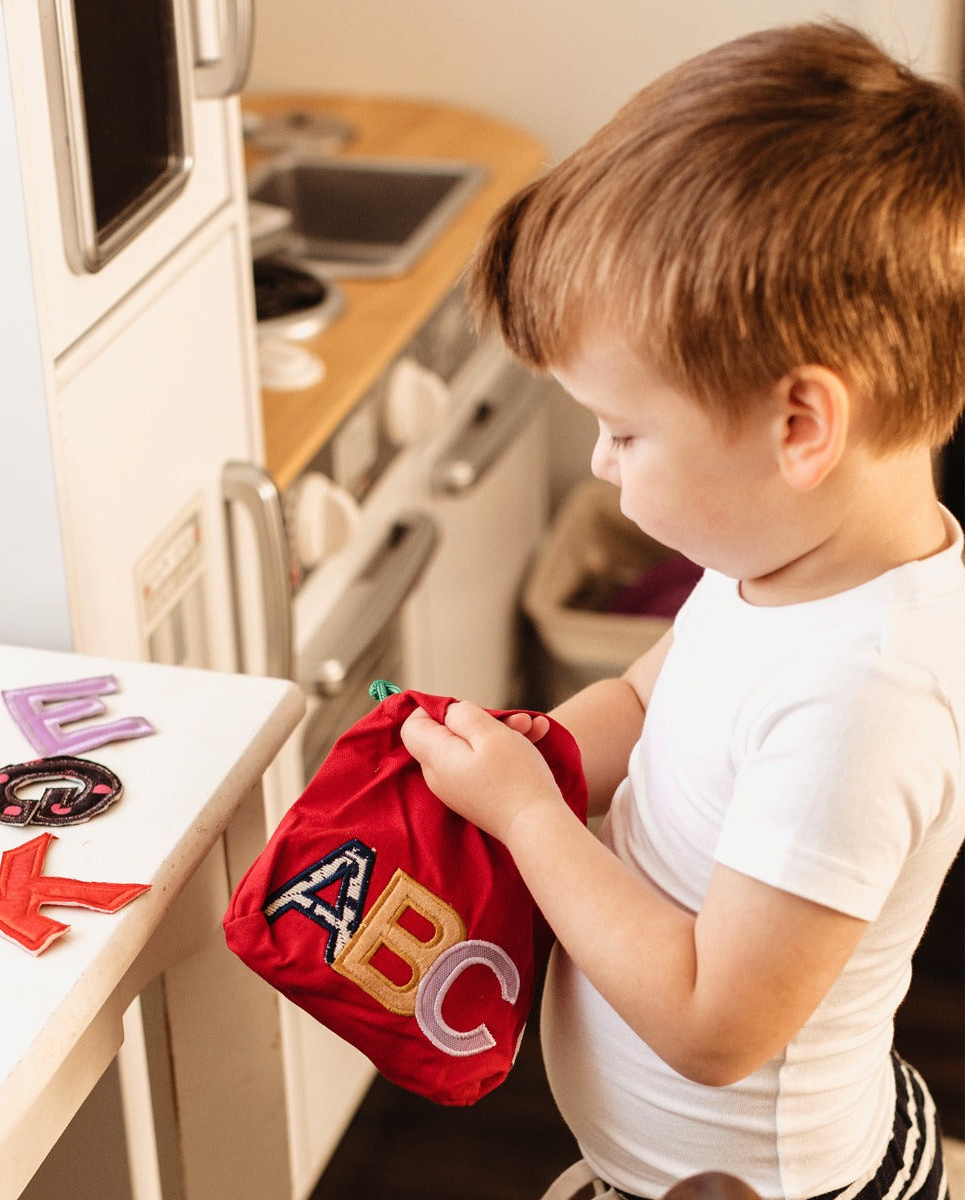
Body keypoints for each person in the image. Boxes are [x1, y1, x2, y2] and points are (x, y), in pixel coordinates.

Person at [400, 21, 965, 1200]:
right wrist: (533, 759)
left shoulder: (863, 701)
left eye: (624, 430)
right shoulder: (782, 556)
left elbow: (714, 1026)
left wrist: (528, 820)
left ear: (800, 427)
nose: (600, 463)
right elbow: (646, 697)